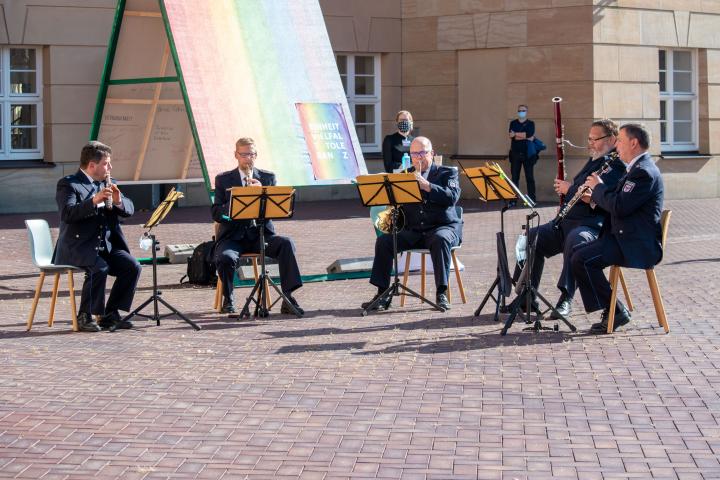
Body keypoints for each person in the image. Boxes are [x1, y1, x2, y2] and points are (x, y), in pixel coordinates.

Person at [511, 119, 626, 319]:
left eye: (594, 139)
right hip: (566, 223)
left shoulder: (615, 166)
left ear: (612, 139)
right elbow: (579, 187)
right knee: (532, 236)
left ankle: (566, 298)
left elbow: (597, 195)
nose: (590, 143)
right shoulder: (595, 160)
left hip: (591, 226)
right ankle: (526, 296)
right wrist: (567, 190)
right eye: (589, 138)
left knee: (575, 241)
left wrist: (569, 189)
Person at [571, 123, 664, 333]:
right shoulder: (635, 169)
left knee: (582, 260)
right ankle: (611, 309)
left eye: (620, 141)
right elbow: (617, 201)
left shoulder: (644, 173)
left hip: (635, 244)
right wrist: (594, 199)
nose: (617, 145)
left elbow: (619, 206)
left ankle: (615, 311)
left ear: (633, 143)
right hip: (622, 237)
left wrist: (597, 187)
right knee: (577, 253)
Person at [362, 136, 462, 312]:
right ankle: (382, 293)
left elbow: (452, 197)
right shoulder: (404, 176)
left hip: (442, 227)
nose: (418, 157)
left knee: (440, 239)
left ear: (432, 153)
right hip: (415, 231)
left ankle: (441, 293)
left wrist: (428, 186)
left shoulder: (447, 173)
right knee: (384, 242)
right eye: (414, 153)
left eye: (422, 152)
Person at [54, 141, 142, 332]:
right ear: (92, 165)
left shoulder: (109, 182)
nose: (110, 168)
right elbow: (67, 214)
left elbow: (129, 210)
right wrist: (94, 200)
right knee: (99, 268)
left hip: (106, 246)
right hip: (78, 245)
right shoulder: (69, 184)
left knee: (132, 266)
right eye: (106, 164)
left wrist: (118, 201)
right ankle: (85, 315)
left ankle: (110, 314)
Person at [212, 137, 303, 315]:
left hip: (261, 234)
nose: (248, 158)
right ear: (236, 155)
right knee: (226, 258)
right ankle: (228, 299)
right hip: (233, 237)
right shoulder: (223, 179)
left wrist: (262, 193)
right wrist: (236, 201)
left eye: (251, 154)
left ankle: (287, 297)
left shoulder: (268, 178)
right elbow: (216, 213)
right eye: (244, 154)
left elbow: (278, 210)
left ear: (256, 155)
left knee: (286, 244)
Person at [508, 104, 537, 204]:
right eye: (520, 110)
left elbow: (530, 135)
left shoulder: (530, 123)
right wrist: (523, 136)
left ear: (527, 112)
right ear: (517, 111)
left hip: (528, 155)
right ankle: (513, 200)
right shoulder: (513, 123)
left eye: (523, 110)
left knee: (530, 178)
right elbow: (511, 135)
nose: (521, 112)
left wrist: (516, 134)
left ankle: (532, 199)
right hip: (515, 154)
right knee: (515, 178)